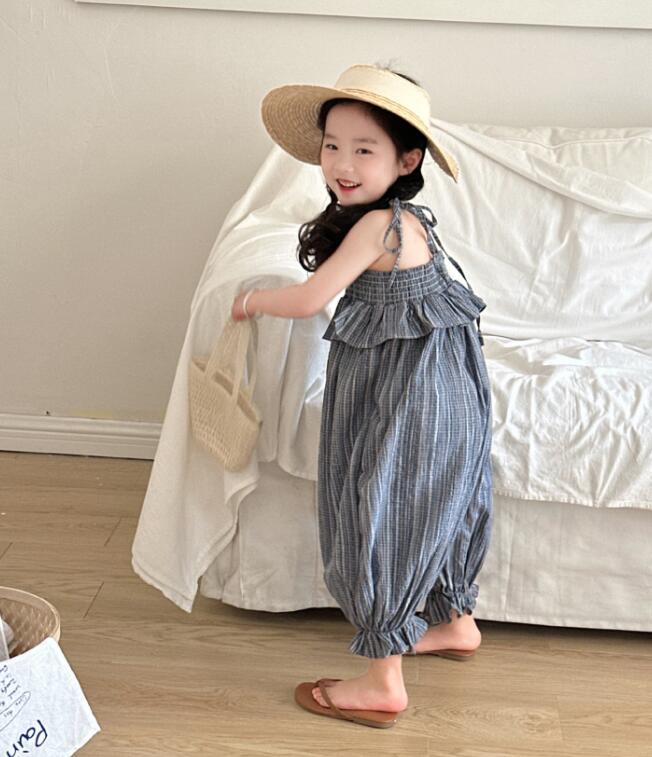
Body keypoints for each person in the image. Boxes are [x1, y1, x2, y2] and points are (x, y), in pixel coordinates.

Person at [231, 63, 493, 729]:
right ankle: (455, 622)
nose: (342, 164)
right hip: (450, 395)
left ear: (407, 159)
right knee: (439, 507)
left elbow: (310, 298)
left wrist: (252, 302)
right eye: (332, 146)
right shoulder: (412, 220)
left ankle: (382, 682)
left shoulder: (379, 227)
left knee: (382, 512)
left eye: (364, 149)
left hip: (412, 402)